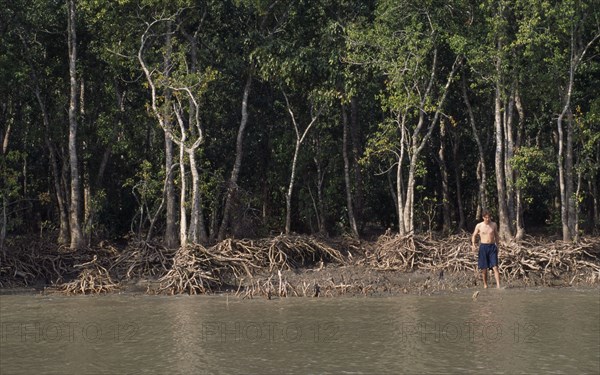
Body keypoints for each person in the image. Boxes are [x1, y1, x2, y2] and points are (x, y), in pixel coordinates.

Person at [471, 211, 501, 288]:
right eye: (486, 217)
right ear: (483, 217)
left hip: (492, 247)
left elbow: (496, 235)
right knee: (484, 269)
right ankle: (485, 285)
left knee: (495, 267)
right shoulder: (479, 225)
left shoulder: (493, 224)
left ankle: (498, 286)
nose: (487, 219)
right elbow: (474, 235)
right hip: (483, 247)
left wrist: (498, 245)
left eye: (489, 217)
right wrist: (473, 244)